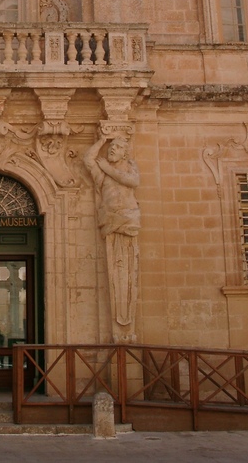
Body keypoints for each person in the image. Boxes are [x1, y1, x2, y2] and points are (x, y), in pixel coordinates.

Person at [84, 134, 140, 342]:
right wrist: (101, 140)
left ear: (125, 152)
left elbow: (133, 181)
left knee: (126, 269)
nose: (111, 149)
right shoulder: (102, 176)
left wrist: (107, 168)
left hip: (128, 219)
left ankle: (123, 329)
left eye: (116, 147)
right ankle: (121, 328)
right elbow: (88, 159)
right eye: (111, 147)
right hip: (111, 219)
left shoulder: (128, 167)